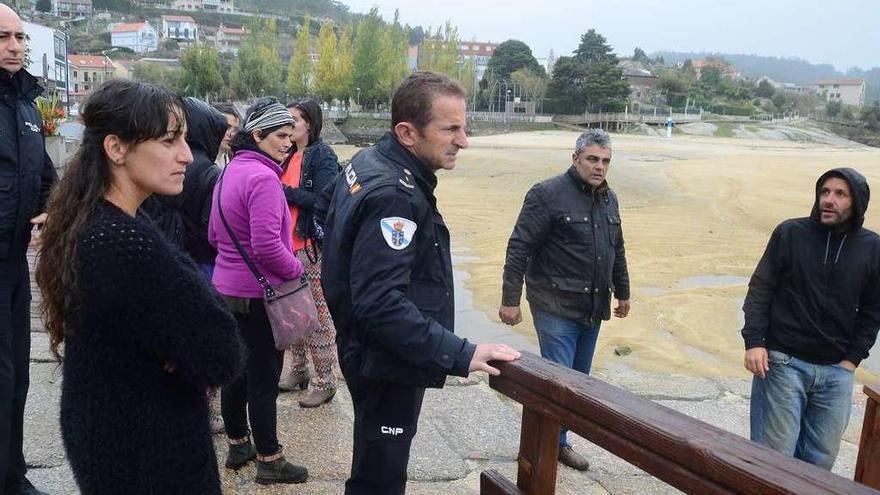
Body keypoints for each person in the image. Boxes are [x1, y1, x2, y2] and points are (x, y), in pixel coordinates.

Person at [34, 79, 246, 494]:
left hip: (110, 434)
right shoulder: (124, 243)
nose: (186, 155)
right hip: (149, 455)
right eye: (169, 140)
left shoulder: (93, 218)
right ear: (116, 149)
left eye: (184, 139)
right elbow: (223, 352)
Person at [320, 71, 521, 495]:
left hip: (367, 350)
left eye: (463, 127)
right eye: (451, 129)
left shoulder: (368, 161)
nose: (463, 140)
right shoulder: (395, 193)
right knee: (380, 478)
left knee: (374, 462)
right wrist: (460, 352)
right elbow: (380, 303)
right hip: (385, 361)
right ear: (407, 133)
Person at [498, 128, 630, 472]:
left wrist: (624, 291)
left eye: (605, 161)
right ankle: (547, 448)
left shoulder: (608, 198)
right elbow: (520, 246)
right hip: (553, 304)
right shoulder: (547, 194)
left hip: (593, 307)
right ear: (575, 159)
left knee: (578, 380)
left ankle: (556, 441)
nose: (599, 167)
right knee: (560, 382)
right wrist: (510, 298)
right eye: (592, 159)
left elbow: (617, 248)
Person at [742, 167, 880, 470]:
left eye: (840, 194)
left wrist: (851, 362)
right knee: (773, 461)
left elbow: (873, 311)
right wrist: (754, 342)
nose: (828, 200)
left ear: (857, 202)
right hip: (782, 364)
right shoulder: (791, 233)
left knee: (819, 466)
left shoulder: (872, 247)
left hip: (836, 373)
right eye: (824, 192)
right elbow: (761, 289)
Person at [208, 97, 309, 485]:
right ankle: (270, 458)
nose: (289, 142)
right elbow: (268, 247)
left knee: (235, 373)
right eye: (281, 135)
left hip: (226, 289)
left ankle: (238, 445)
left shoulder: (229, 172)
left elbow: (215, 234)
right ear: (258, 134)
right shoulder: (265, 178)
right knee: (264, 379)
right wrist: (297, 268)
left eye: (291, 134)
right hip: (259, 296)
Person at [0, 5, 57, 494]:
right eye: (3, 37)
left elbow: (45, 178)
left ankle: (12, 475)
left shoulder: (27, 107)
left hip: (15, 263)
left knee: (17, 376)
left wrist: (47, 209)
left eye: (19, 36)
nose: (15, 45)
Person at [277, 98, 341, 408]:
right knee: (293, 312)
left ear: (310, 124)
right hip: (286, 248)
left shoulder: (322, 155)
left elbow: (323, 199)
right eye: (287, 120)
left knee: (316, 316)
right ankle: (299, 370)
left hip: (310, 248)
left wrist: (284, 192)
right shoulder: (286, 154)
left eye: (295, 120)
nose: (289, 126)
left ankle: (326, 381)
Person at [141, 97, 227, 278]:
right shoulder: (211, 172)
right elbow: (212, 228)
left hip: (162, 250)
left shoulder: (161, 164)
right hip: (201, 259)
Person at [212, 102, 240, 167]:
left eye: (235, 130)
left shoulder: (230, 157)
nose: (231, 134)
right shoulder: (201, 160)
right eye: (227, 127)